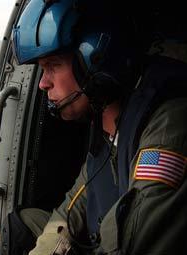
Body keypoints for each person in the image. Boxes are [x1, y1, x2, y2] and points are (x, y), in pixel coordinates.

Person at [11, 0, 187, 254]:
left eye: (53, 66)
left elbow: (133, 241)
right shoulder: (105, 118)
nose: (43, 83)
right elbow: (81, 195)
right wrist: (50, 244)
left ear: (95, 58)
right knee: (23, 223)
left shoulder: (169, 121)